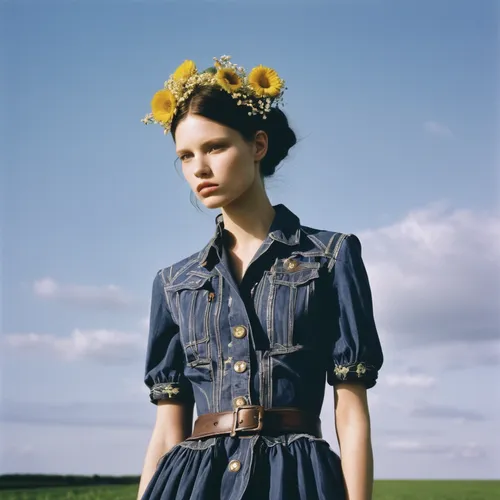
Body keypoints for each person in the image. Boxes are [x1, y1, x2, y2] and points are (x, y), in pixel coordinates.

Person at [137, 55, 383, 500]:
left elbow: (351, 408)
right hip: (192, 484)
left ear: (258, 145)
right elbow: (166, 430)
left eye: (215, 147)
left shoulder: (330, 256)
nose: (199, 169)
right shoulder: (174, 282)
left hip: (294, 480)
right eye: (185, 156)